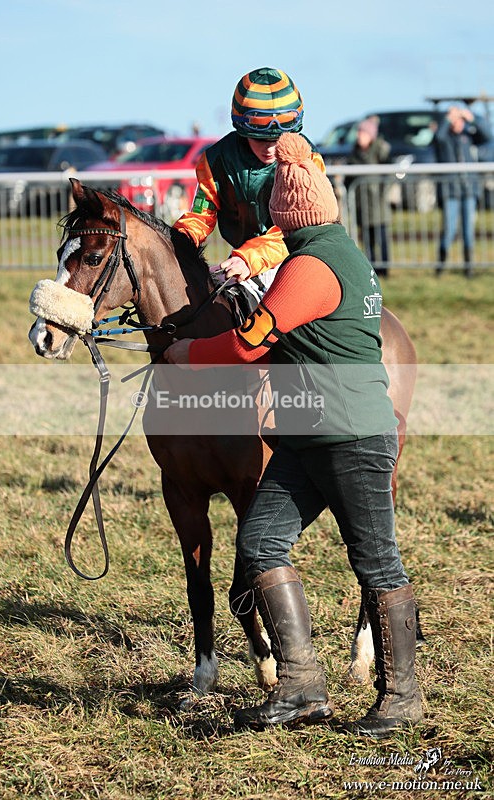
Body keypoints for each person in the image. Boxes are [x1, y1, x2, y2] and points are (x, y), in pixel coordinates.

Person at [165, 132, 423, 738]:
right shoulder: (331, 253)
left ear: (288, 212)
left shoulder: (312, 266)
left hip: (353, 438)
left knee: (377, 563)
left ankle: (401, 698)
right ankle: (302, 686)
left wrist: (186, 353)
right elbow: (276, 350)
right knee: (257, 546)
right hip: (306, 436)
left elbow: (249, 341)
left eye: (274, 207)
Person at [173, 67, 325, 288]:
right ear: (243, 132)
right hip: (243, 259)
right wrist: (176, 244)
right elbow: (199, 217)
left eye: (279, 139)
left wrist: (248, 258)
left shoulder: (308, 160)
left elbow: (296, 229)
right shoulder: (216, 160)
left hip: (300, 256)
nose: (270, 149)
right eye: (260, 139)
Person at [434, 105, 491, 278]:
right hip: (451, 191)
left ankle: (469, 269)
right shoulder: (444, 138)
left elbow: (488, 135)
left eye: (459, 119)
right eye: (454, 119)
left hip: (469, 191)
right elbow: (438, 136)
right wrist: (448, 118)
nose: (457, 122)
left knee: (468, 231)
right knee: (449, 230)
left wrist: (472, 118)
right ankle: (440, 267)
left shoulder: (468, 136)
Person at [346, 116, 392, 277]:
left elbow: (389, 172)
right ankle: (371, 268)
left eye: (362, 132)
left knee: (382, 237)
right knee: (367, 239)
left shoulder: (380, 149)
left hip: (378, 202)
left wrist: (383, 192)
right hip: (362, 203)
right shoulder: (354, 153)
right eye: (358, 132)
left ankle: (385, 269)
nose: (359, 135)